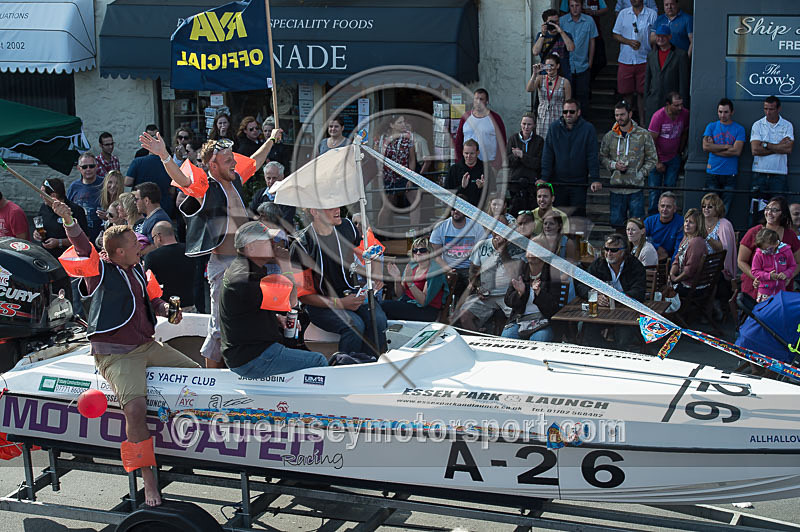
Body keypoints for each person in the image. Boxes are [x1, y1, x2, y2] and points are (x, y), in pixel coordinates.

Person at [53, 199, 199, 507]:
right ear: (118, 251)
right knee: (134, 411)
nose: (140, 245)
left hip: (146, 345)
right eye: (134, 243)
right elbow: (82, 246)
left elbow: (152, 303)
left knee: (197, 375)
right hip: (117, 354)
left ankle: (188, 447)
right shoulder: (101, 271)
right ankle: (149, 483)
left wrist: (167, 310)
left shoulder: (137, 268)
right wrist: (69, 220)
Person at [140, 126, 283, 369]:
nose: (234, 164)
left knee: (257, 316)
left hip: (246, 265)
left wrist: (270, 139)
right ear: (213, 165)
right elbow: (183, 179)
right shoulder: (205, 187)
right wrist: (164, 155)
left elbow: (254, 162)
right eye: (228, 160)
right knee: (219, 327)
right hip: (224, 265)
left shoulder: (235, 178)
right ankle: (211, 380)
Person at [220, 221, 327, 377]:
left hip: (249, 352)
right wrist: (285, 264)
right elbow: (292, 301)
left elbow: (249, 307)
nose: (274, 244)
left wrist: (276, 318)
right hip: (252, 358)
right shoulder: (246, 278)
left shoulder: (245, 268)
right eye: (268, 241)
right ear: (251, 247)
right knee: (318, 361)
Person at [291, 207, 388, 358]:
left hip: (352, 294)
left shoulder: (347, 226)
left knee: (379, 320)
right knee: (355, 326)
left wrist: (376, 273)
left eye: (337, 204)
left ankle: (371, 364)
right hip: (320, 305)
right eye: (329, 206)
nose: (337, 209)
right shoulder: (301, 244)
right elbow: (304, 296)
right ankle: (345, 369)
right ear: (314, 211)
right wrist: (340, 303)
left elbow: (365, 252)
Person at [576, 232, 647, 348]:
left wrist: (616, 297)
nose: (609, 253)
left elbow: (639, 292)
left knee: (624, 336)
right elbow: (581, 286)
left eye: (614, 250)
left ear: (624, 251)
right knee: (588, 329)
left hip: (627, 311)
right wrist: (595, 296)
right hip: (603, 312)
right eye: (606, 249)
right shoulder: (599, 264)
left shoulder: (635, 265)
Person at [599, 100, 657, 231]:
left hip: (635, 188)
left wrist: (641, 173)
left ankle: (635, 251)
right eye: (617, 115)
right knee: (617, 224)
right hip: (616, 187)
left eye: (622, 114)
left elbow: (652, 159)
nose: (619, 118)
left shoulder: (643, 135)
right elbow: (602, 156)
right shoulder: (609, 136)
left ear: (630, 114)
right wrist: (613, 165)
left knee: (637, 225)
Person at [738, 197, 800, 311]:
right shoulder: (754, 232)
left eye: (775, 210)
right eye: (767, 209)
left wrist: (788, 276)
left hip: (782, 287)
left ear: (783, 214)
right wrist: (757, 277)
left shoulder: (790, 235)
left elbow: (798, 262)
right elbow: (741, 261)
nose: (769, 212)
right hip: (756, 286)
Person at [541, 99, 601, 218]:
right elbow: (548, 154)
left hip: (579, 182)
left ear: (578, 112)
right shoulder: (554, 128)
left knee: (577, 218)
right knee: (558, 218)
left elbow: (592, 155)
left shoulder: (588, 129)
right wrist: (544, 177)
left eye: (571, 111)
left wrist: (595, 178)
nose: (568, 114)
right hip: (558, 182)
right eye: (565, 111)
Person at [459, 232, 523, 332]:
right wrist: (478, 287)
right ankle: (479, 341)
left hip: (508, 294)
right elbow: (473, 271)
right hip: (486, 295)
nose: (499, 233)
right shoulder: (482, 245)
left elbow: (514, 274)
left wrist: (502, 250)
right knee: (464, 316)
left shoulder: (518, 247)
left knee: (517, 322)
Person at [430, 197, 486, 301]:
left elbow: (482, 253)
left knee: (475, 289)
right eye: (453, 208)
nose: (455, 211)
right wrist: (449, 270)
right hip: (448, 267)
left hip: (470, 267)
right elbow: (436, 256)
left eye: (459, 208)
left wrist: (474, 272)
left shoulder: (476, 226)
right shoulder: (440, 227)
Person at [383, 237, 448, 322]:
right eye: (415, 251)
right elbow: (400, 295)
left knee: (383, 306)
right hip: (408, 303)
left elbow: (423, 302)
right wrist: (397, 278)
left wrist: (410, 283)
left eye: (422, 250)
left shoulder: (434, 272)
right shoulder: (412, 266)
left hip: (426, 310)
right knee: (380, 308)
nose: (418, 253)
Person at [612, 0, 657, 123]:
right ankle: (627, 122)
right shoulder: (623, 13)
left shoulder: (652, 14)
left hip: (644, 59)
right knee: (626, 93)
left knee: (643, 93)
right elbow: (615, 34)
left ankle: (643, 122)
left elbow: (655, 36)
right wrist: (628, 42)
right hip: (626, 59)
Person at [647, 92, 689, 215]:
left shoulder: (684, 114)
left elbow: (685, 133)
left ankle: (669, 215)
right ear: (668, 104)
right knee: (654, 190)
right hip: (657, 157)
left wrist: (680, 151)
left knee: (670, 187)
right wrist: (657, 161)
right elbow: (650, 141)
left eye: (681, 105)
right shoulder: (658, 116)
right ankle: (653, 216)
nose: (680, 108)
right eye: (676, 105)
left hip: (673, 156)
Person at [702, 98, 746, 215]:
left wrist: (714, 148)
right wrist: (727, 146)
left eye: (726, 112)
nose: (722, 115)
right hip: (713, 172)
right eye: (720, 112)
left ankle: (721, 232)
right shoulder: (711, 126)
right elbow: (706, 147)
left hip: (730, 174)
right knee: (709, 208)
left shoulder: (739, 129)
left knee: (724, 209)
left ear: (732, 112)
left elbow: (736, 151)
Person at [503, 251, 560, 341]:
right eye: (530, 249)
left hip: (544, 321)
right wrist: (520, 293)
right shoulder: (520, 271)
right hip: (519, 320)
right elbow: (508, 301)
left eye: (536, 249)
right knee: (506, 338)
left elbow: (554, 307)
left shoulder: (552, 272)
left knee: (539, 339)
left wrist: (539, 293)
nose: (532, 253)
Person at [375, 114, 419, 228]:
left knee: (415, 201)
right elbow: (376, 157)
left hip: (404, 174)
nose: (403, 124)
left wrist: (410, 177)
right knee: (388, 205)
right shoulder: (381, 138)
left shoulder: (409, 137)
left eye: (403, 122)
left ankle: (414, 233)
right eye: (400, 122)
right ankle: (379, 234)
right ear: (392, 125)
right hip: (388, 176)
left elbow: (412, 159)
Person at [750, 96, 794, 208]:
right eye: (765, 109)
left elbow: (788, 149)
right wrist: (779, 146)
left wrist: (766, 145)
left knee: (779, 210)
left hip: (779, 174)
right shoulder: (758, 125)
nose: (768, 112)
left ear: (778, 109)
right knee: (757, 210)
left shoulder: (787, 125)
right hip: (759, 173)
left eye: (771, 109)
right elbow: (755, 150)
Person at [143, 221, 196, 312]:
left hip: (166, 309)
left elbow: (148, 285)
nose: (154, 242)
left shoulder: (152, 257)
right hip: (190, 305)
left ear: (159, 237)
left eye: (153, 238)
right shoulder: (190, 251)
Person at [643, 25, 689, 126]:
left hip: (671, 102)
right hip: (653, 101)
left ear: (670, 37)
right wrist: (646, 100)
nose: (660, 39)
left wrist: (682, 104)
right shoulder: (651, 55)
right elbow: (648, 79)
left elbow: (683, 82)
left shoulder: (680, 55)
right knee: (651, 131)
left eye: (663, 36)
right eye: (658, 36)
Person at [559, 0, 598, 116]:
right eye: (572, 6)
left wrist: (590, 62)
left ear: (581, 6)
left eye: (577, 6)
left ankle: (582, 123)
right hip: (567, 67)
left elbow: (592, 42)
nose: (575, 9)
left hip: (582, 65)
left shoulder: (589, 21)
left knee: (583, 98)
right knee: (567, 97)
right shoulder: (562, 21)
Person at [454, 89, 507, 172]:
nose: (478, 102)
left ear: (487, 101)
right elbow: (458, 141)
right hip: (467, 164)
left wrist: (497, 165)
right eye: (476, 99)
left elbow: (502, 143)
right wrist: (459, 163)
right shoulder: (465, 117)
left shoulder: (495, 119)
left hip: (488, 164)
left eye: (481, 99)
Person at [33, 178, 88, 258]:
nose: (40, 195)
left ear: (53, 195)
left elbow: (86, 239)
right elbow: (40, 226)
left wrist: (59, 242)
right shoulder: (44, 207)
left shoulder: (76, 210)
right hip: (46, 256)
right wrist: (36, 234)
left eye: (42, 193)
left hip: (68, 257)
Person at [527, 54, 572, 141]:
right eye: (547, 65)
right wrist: (534, 74)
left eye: (552, 65)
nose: (549, 68)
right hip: (543, 116)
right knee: (542, 143)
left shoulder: (565, 82)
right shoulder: (540, 78)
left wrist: (566, 120)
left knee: (557, 141)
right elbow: (529, 89)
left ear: (557, 66)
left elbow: (568, 103)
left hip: (558, 116)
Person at [506, 113, 543, 212]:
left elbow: (537, 163)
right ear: (520, 124)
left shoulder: (539, 141)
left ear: (534, 125)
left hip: (532, 183)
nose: (526, 127)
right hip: (515, 182)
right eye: (524, 124)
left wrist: (522, 155)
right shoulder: (513, 139)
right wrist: (516, 157)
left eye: (529, 124)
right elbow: (508, 162)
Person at [125, 145, 176, 218]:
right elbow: (172, 191)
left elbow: (127, 182)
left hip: (141, 205)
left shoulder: (137, 162)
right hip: (164, 206)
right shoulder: (169, 164)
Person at [751, 227, 797, 303]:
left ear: (776, 244)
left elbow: (793, 266)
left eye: (767, 249)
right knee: (765, 311)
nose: (764, 251)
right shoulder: (759, 253)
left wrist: (786, 274)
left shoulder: (786, 251)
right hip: (764, 290)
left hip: (780, 289)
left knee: (779, 311)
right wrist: (768, 276)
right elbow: (755, 271)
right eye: (762, 249)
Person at [669, 208, 708, 296]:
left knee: (662, 291)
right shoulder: (686, 238)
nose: (687, 224)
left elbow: (690, 270)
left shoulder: (697, 242)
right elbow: (676, 260)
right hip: (682, 281)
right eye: (686, 221)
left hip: (693, 287)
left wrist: (675, 279)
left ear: (698, 225)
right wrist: (671, 274)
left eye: (691, 222)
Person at [67, 152, 104, 242]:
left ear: (96, 167)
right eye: (84, 167)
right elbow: (67, 209)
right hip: (79, 236)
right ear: (79, 168)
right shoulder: (73, 187)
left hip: (100, 236)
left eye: (91, 166)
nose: (88, 169)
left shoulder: (105, 184)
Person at [701, 192, 737, 283]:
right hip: (699, 263)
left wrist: (706, 236)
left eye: (710, 207)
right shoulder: (699, 221)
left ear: (717, 208)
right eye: (704, 206)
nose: (706, 209)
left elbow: (723, 250)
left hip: (717, 266)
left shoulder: (725, 224)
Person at [249, 161, 296, 231]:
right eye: (268, 178)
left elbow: (286, 222)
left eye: (274, 178)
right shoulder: (259, 194)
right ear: (264, 177)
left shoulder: (289, 197)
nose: (271, 181)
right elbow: (251, 215)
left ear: (282, 177)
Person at [532, 9, 575, 81]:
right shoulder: (541, 36)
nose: (555, 24)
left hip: (563, 75)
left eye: (557, 21)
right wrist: (543, 34)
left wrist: (560, 31)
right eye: (552, 22)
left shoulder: (566, 35)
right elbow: (535, 52)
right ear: (545, 23)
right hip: (546, 75)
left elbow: (571, 48)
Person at [444, 139, 485, 207]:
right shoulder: (454, 169)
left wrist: (483, 187)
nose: (468, 156)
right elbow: (446, 194)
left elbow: (493, 193)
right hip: (459, 210)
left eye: (472, 153)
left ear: (478, 153)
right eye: (466, 153)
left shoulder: (486, 169)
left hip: (480, 209)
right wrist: (462, 187)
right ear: (462, 152)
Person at [644, 191, 684, 261]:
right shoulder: (649, 221)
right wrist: (656, 247)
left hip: (671, 258)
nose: (665, 209)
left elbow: (679, 249)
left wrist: (672, 267)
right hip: (652, 256)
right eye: (662, 206)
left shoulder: (681, 223)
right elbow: (640, 238)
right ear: (658, 207)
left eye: (668, 206)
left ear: (675, 209)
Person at [133, 182, 171, 253]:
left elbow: (156, 245)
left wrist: (137, 254)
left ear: (146, 200)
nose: (135, 202)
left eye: (137, 199)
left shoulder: (158, 219)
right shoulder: (152, 217)